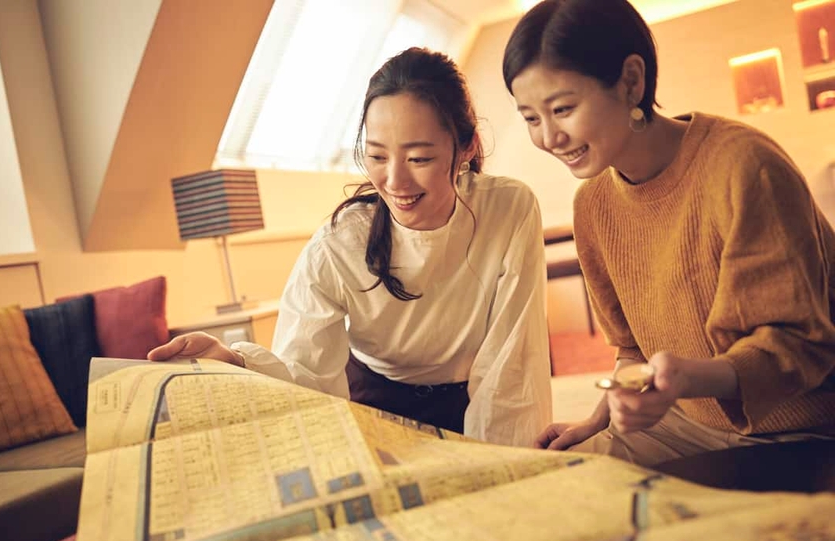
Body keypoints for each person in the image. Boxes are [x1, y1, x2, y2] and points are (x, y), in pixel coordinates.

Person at [149, 47, 553, 446]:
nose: (394, 181)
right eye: (377, 156)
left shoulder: (508, 209)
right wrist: (234, 361)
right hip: (372, 405)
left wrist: (507, 458)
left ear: (466, 147)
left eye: (418, 158)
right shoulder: (338, 244)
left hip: (466, 401)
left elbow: (511, 363)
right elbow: (306, 376)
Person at [501, 0, 835, 467]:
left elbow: (799, 345)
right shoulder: (593, 205)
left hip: (796, 429)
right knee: (550, 477)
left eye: (563, 109)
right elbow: (632, 348)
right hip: (682, 424)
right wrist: (598, 419)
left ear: (631, 81)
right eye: (531, 118)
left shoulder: (744, 167)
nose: (549, 137)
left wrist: (687, 380)